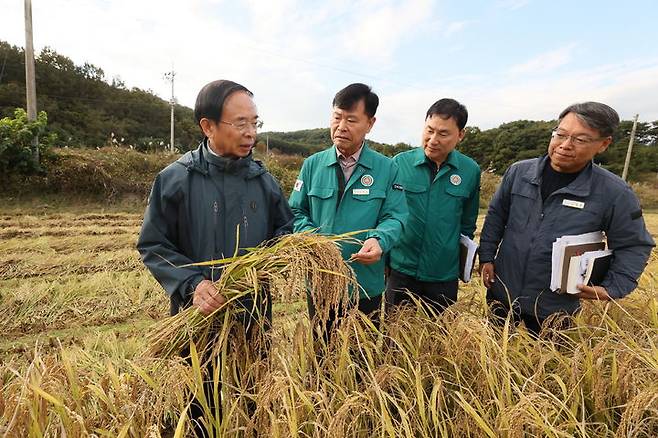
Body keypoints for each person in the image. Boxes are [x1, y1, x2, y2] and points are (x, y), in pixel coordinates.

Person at [137, 79, 293, 435]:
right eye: (240, 123)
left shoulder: (263, 180)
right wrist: (192, 284)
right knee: (195, 406)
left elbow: (284, 232)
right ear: (208, 126)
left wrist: (270, 260)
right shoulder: (176, 179)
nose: (250, 132)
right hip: (196, 317)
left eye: (255, 122)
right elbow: (154, 244)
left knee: (251, 401)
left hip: (252, 315)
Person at [479, 101, 655, 335]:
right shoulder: (519, 172)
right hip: (502, 291)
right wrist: (487, 256)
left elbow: (634, 244)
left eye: (580, 139)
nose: (564, 145)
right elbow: (496, 216)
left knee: (547, 366)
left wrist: (612, 287)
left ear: (603, 144)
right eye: (560, 134)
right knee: (490, 359)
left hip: (555, 306)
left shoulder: (614, 192)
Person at [288, 83, 408, 335]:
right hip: (322, 283)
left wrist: (379, 239)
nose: (341, 126)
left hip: (365, 285)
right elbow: (295, 213)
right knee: (320, 358)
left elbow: (395, 217)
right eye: (337, 117)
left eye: (351, 119)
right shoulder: (312, 165)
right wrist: (314, 240)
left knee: (360, 361)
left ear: (370, 123)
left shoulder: (387, 168)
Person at [386, 98, 480, 313]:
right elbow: (387, 215)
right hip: (401, 270)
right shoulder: (399, 163)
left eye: (443, 134)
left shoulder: (470, 170)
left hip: (443, 275)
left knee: (439, 339)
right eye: (429, 130)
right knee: (395, 339)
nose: (433, 140)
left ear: (460, 135)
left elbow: (467, 223)